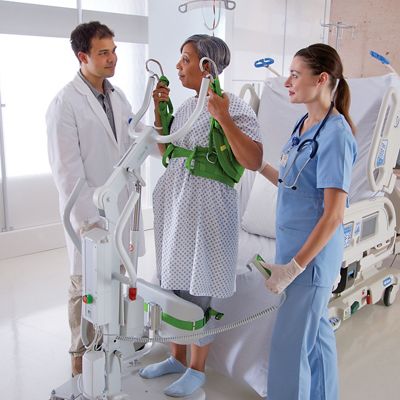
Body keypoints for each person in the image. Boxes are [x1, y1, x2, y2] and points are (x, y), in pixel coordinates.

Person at [138, 34, 263, 397]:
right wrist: (161, 112)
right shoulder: (185, 107)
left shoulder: (234, 106)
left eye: (186, 59)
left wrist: (222, 116)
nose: (178, 66)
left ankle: (197, 368)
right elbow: (168, 148)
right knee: (171, 283)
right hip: (176, 208)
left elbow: (253, 160)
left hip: (208, 212)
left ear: (207, 66)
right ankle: (176, 358)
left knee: (201, 286)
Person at [258, 43, 358, 400]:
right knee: (316, 340)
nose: (287, 81)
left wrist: (294, 268)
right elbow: (295, 183)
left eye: (295, 75)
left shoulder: (336, 134)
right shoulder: (305, 123)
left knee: (289, 348)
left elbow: (333, 215)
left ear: (322, 79)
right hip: (294, 252)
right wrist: (259, 166)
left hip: (309, 262)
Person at [46, 21, 141, 377]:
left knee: (116, 284)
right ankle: (78, 358)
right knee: (84, 287)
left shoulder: (117, 96)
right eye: (104, 53)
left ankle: (111, 350)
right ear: (82, 56)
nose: (112, 58)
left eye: (114, 51)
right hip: (89, 217)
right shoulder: (65, 104)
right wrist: (89, 223)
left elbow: (133, 140)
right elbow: (67, 175)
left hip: (121, 208)